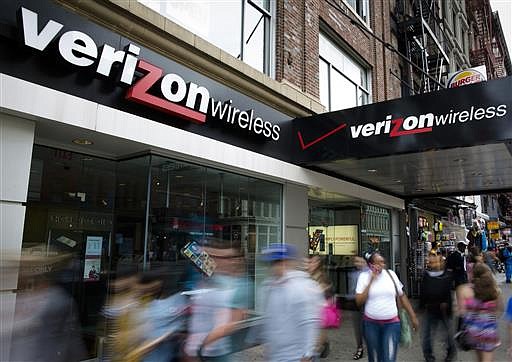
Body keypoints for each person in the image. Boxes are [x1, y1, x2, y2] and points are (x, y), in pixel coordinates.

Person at [185, 243, 251, 362]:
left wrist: (201, 346)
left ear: (237, 261)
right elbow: (192, 251)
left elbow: (232, 324)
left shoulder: (242, 286)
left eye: (225, 258)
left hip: (218, 351)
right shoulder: (220, 275)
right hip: (202, 349)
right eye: (215, 257)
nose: (215, 260)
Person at [260, 243, 323, 362]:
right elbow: (271, 320)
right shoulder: (269, 286)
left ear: (287, 262)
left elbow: (310, 322)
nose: (274, 267)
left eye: (278, 262)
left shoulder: (302, 286)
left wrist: (308, 354)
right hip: (276, 355)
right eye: (272, 263)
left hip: (296, 356)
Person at [355, 252, 419, 362]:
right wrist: (371, 281)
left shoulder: (391, 275)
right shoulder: (364, 277)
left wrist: (413, 316)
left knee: (388, 358)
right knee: (375, 358)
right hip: (371, 325)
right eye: (377, 262)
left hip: (392, 324)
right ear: (370, 264)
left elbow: (402, 296)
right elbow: (359, 301)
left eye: (383, 262)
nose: (381, 265)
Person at [458, 263, 503, 362]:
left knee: (479, 359)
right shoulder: (494, 290)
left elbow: (462, 312)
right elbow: (499, 310)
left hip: (472, 331)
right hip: (489, 332)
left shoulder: (464, 290)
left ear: (473, 274)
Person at [419, 253, 455, 362]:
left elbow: (449, 293)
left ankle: (450, 352)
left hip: (443, 309)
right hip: (430, 308)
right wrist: (422, 306)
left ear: (441, 262)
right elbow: (423, 292)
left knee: (448, 334)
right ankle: (428, 355)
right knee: (427, 335)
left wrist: (447, 305)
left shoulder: (447, 275)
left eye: (435, 262)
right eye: (431, 262)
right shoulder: (426, 275)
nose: (433, 264)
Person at [305, 255, 333, 358]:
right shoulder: (306, 276)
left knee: (314, 350)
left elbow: (327, 298)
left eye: (314, 262)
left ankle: (322, 345)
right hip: (307, 318)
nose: (311, 264)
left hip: (317, 316)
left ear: (319, 264)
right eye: (310, 262)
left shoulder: (322, 278)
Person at [347, 256, 368, 360]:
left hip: (367, 303)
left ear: (365, 262)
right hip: (355, 303)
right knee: (357, 328)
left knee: (367, 326)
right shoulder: (353, 273)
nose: (358, 263)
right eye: (356, 261)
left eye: (361, 261)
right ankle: (360, 347)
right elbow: (352, 290)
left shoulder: (370, 273)